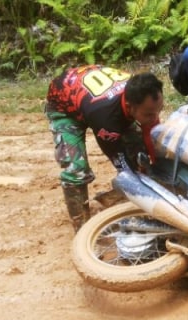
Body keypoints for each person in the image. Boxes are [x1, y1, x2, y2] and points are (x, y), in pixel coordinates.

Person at [45, 65, 164, 231]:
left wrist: (155, 164)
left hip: (94, 98)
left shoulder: (141, 90)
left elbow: (149, 134)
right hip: (64, 107)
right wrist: (139, 191)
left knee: (139, 151)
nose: (155, 117)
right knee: (76, 170)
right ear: (130, 106)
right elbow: (119, 160)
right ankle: (83, 229)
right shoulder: (105, 118)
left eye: (158, 111)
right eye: (149, 114)